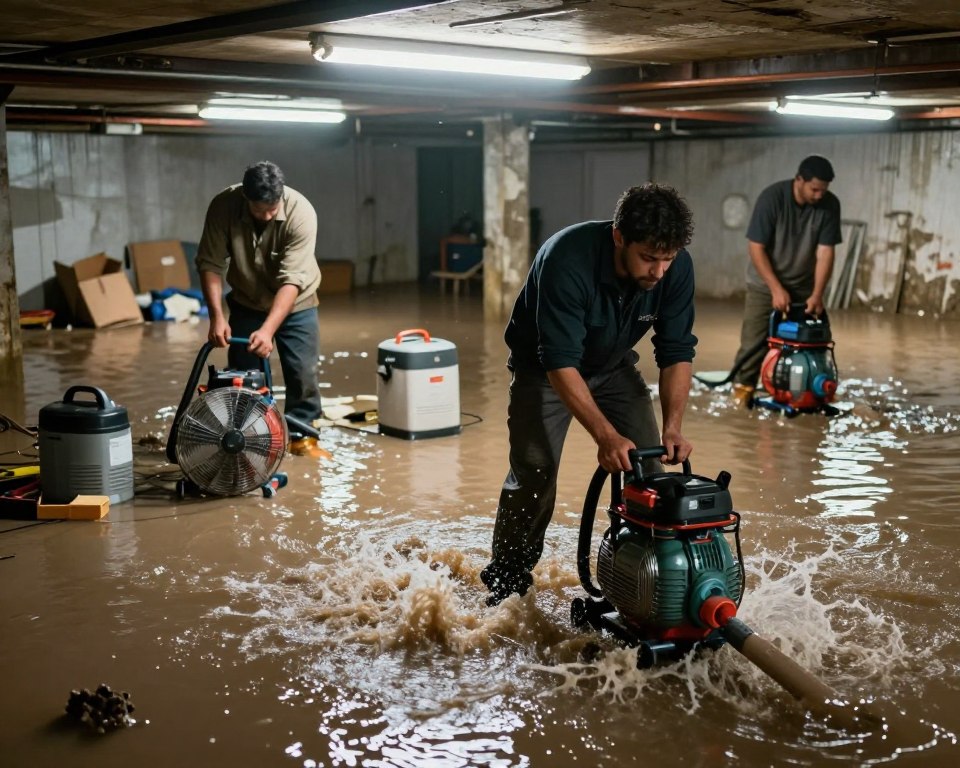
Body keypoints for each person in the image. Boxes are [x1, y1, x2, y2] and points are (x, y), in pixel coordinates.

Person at [480, 183, 697, 606]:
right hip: (544, 370)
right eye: (648, 258)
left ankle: (650, 587)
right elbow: (559, 362)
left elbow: (676, 352)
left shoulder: (674, 267)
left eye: (667, 260)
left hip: (613, 366)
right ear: (619, 236)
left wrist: (674, 427)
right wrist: (604, 435)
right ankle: (507, 583)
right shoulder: (568, 258)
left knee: (650, 470)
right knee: (534, 473)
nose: (658, 272)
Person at [196, 161, 323, 453]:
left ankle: (303, 438)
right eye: (259, 210)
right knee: (242, 376)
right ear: (245, 198)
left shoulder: (301, 212)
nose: (267, 215)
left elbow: (292, 281)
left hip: (297, 304)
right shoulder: (223, 206)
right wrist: (216, 317)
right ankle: (248, 438)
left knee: (302, 372)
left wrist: (267, 330)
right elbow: (210, 263)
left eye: (272, 209)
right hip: (246, 301)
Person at [730, 155, 842, 405]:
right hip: (764, 284)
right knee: (753, 344)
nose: (819, 195)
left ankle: (807, 392)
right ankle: (742, 392)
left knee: (814, 338)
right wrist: (776, 289)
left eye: (823, 190)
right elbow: (756, 246)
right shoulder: (772, 198)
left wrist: (817, 294)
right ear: (799, 180)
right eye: (814, 189)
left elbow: (825, 252)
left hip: (804, 287)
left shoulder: (829, 204)